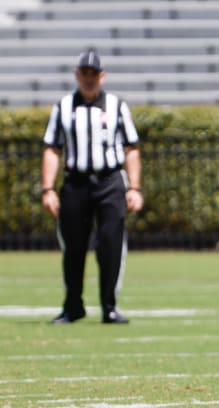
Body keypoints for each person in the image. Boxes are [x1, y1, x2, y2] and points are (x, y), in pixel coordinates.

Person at [41, 48, 143, 324]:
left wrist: (134, 188)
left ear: (102, 76)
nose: (88, 79)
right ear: (76, 75)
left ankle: (109, 306)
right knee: (73, 247)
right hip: (76, 183)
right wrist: (48, 189)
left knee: (110, 244)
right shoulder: (62, 107)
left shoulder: (117, 106)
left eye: (93, 74)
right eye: (84, 73)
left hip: (110, 182)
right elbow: (52, 149)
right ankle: (72, 306)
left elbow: (131, 148)